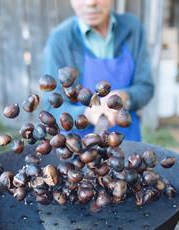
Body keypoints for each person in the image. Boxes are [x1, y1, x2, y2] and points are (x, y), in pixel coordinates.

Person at [43, 0, 154, 141]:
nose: (90, 3)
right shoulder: (60, 39)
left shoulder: (133, 29)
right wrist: (87, 113)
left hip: (128, 144)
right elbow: (51, 108)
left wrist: (124, 97)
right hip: (77, 149)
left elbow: (145, 86)